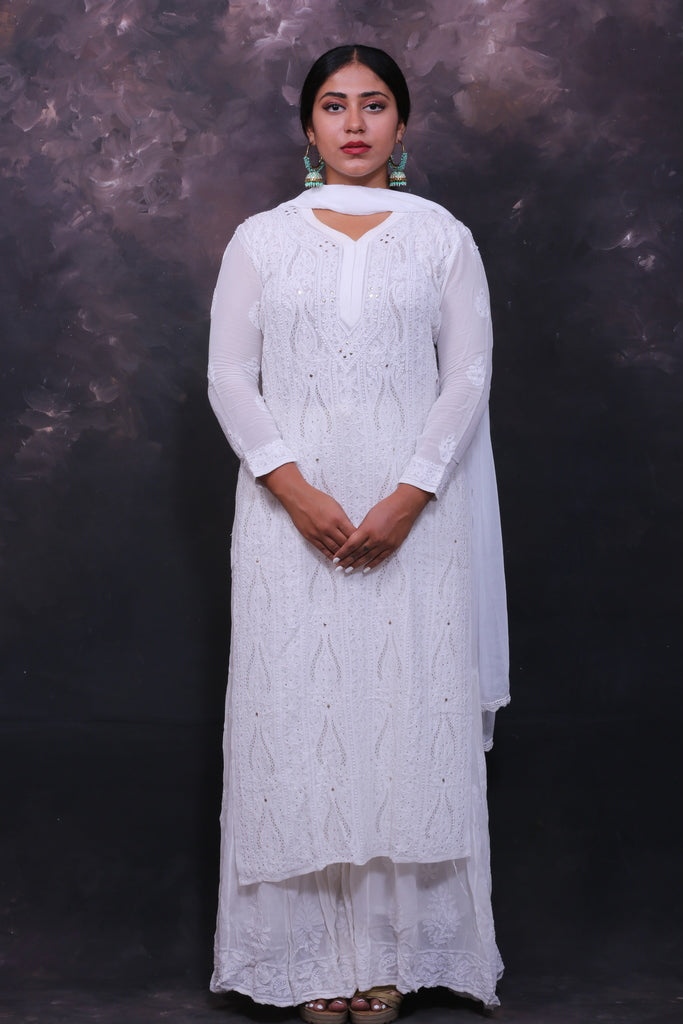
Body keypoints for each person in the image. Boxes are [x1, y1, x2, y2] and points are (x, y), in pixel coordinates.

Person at [207, 44, 509, 1022]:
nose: (353, 122)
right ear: (307, 127)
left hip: (413, 521)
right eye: (333, 106)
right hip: (285, 520)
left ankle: (387, 955)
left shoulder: (441, 238)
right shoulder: (261, 239)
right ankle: (305, 959)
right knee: (298, 719)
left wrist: (408, 495)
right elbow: (227, 376)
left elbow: (467, 375)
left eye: (373, 105)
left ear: (401, 125)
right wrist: (292, 488)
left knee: (399, 718)